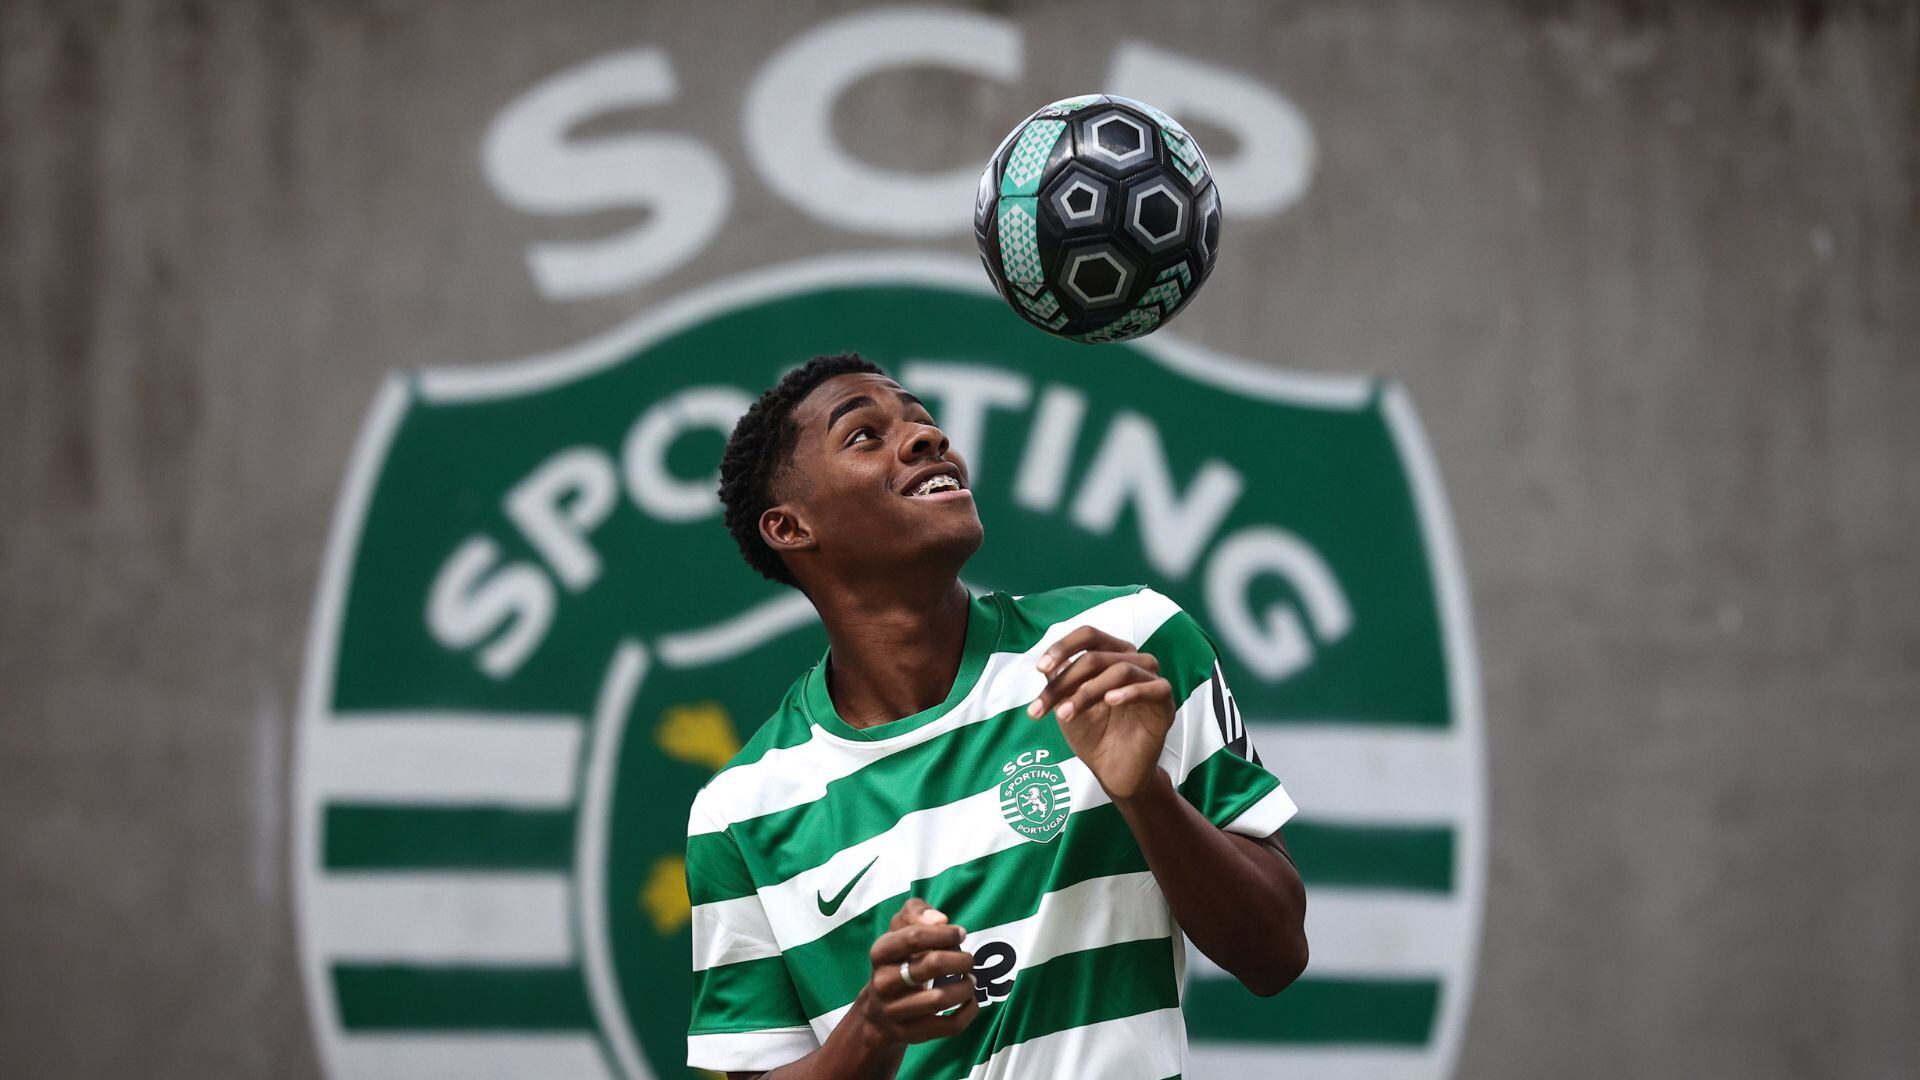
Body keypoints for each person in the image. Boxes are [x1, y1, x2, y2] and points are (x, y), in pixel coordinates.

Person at [687, 353, 1308, 1079]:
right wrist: (876, 1025)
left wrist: (1145, 796)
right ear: (790, 528)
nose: (927, 439)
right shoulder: (739, 811)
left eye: (924, 421)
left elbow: (1276, 955)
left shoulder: (1128, 642)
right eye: (864, 435)